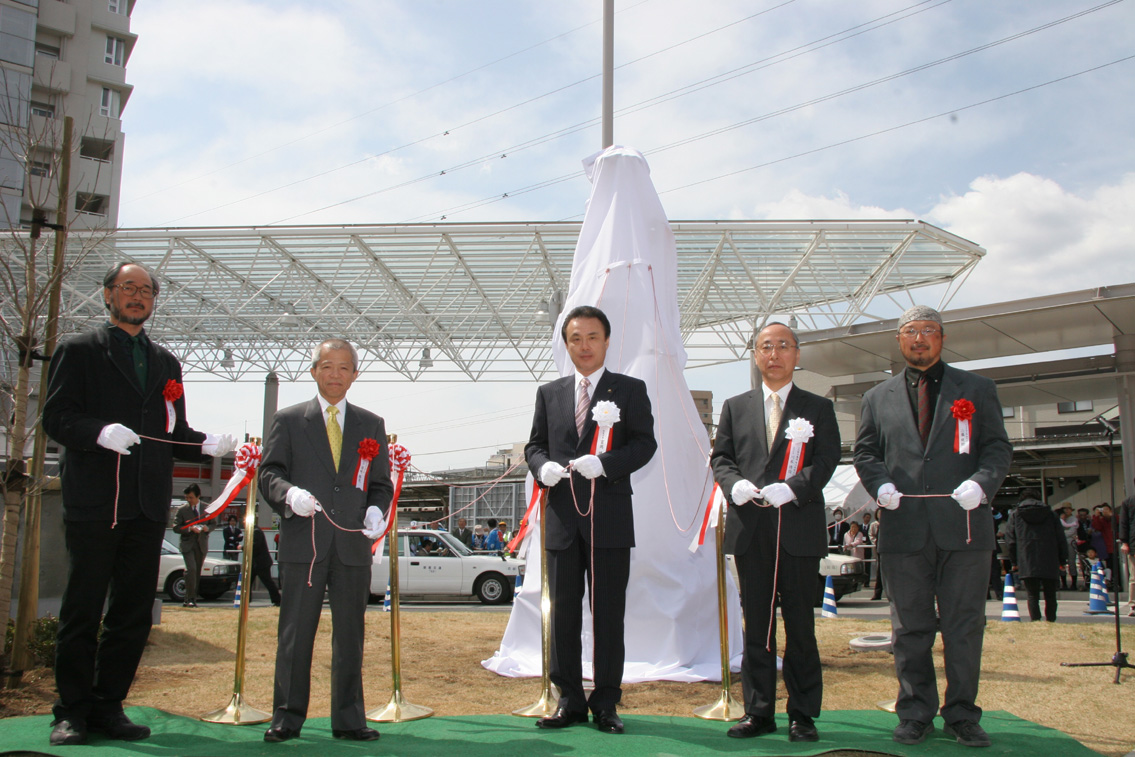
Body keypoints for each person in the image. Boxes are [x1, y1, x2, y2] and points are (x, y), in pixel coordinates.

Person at [42, 262, 237, 746]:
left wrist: (207, 444)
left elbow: (172, 433)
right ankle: (71, 710)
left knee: (132, 614)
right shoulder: (79, 351)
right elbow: (57, 417)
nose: (137, 296)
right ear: (108, 294)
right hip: (96, 503)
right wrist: (98, 433)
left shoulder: (167, 363)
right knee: (83, 610)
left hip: (148, 506)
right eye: (127, 288)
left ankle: (109, 705)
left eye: (145, 290)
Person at [854, 305, 1011, 749]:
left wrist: (982, 486)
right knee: (910, 628)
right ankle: (915, 712)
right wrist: (879, 484)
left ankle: (962, 713)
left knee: (964, 626)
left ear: (941, 338)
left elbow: (997, 448)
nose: (918, 338)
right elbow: (866, 453)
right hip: (904, 529)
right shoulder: (877, 397)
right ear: (899, 340)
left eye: (927, 331)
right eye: (909, 331)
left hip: (963, 527)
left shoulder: (977, 389)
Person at [525, 305, 657, 735]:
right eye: (576, 338)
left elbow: (645, 445)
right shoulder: (550, 392)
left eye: (592, 337)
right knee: (562, 613)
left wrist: (607, 464)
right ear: (566, 344)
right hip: (562, 520)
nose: (584, 346)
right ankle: (568, 699)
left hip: (610, 519)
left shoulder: (629, 390)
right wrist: (540, 465)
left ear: (606, 341)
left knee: (608, 614)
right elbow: (535, 446)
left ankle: (606, 703)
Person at [259, 338, 393, 743]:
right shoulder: (288, 419)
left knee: (351, 634)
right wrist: (289, 495)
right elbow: (269, 473)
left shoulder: (371, 424)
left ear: (355, 374)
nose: (335, 375)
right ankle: (286, 716)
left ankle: (349, 718)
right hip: (305, 543)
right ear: (314, 371)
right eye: (327, 366)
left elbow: (381, 484)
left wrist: (376, 509)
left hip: (352, 546)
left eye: (344, 367)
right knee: (296, 632)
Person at [711, 321, 840, 743]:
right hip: (751, 530)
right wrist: (735, 485)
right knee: (758, 626)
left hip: (798, 529)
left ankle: (802, 714)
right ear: (755, 354)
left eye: (783, 346)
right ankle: (759, 711)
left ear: (797, 354)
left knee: (801, 626)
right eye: (766, 346)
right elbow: (721, 458)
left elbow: (827, 460)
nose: (774, 354)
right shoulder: (735, 405)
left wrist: (795, 487)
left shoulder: (818, 407)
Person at [1004, 489, 1068, 622]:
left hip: (1026, 558)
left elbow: (1010, 540)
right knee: (1050, 594)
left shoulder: (1016, 514)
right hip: (1050, 557)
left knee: (1032, 594)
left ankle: (1035, 621)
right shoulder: (1051, 514)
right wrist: (1063, 559)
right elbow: (1061, 538)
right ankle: (1051, 621)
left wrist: (1014, 561)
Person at [172, 484, 212, 607]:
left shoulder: (207, 508)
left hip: (201, 545)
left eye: (191, 497)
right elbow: (175, 527)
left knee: (197, 571)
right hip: (187, 545)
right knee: (192, 569)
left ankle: (191, 598)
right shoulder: (182, 510)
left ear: (198, 496)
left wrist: (207, 528)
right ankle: (189, 598)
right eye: (187, 498)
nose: (189, 500)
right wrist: (189, 529)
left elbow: (214, 523)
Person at [250, 525, 281, 606]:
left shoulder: (256, 531)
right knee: (248, 582)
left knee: (267, 582)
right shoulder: (256, 530)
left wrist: (243, 548)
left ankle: (277, 599)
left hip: (261, 563)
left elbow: (255, 546)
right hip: (258, 562)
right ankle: (245, 599)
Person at [1119, 484, 1135, 617]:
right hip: (1134, 544)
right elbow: (1123, 523)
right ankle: (1133, 605)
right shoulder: (1128, 502)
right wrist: (1125, 542)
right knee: (1134, 577)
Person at [1091, 504, 1115, 589]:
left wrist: (1110, 515)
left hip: (1115, 546)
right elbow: (1096, 527)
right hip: (1107, 548)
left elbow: (1118, 522)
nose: (1104, 511)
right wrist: (1096, 516)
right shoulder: (1102, 521)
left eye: (1106, 509)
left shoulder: (1115, 518)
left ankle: (1117, 583)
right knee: (1109, 566)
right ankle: (1111, 583)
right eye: (1102, 510)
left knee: (1116, 566)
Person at [1058, 506, 1078, 590]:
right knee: (1061, 562)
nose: (1066, 511)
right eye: (1064, 510)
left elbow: (1072, 531)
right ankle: (1064, 583)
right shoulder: (1058, 519)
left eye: (1068, 509)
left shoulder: (1074, 519)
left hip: (1070, 542)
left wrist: (1062, 533)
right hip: (1060, 542)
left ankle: (1074, 583)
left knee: (1071, 562)